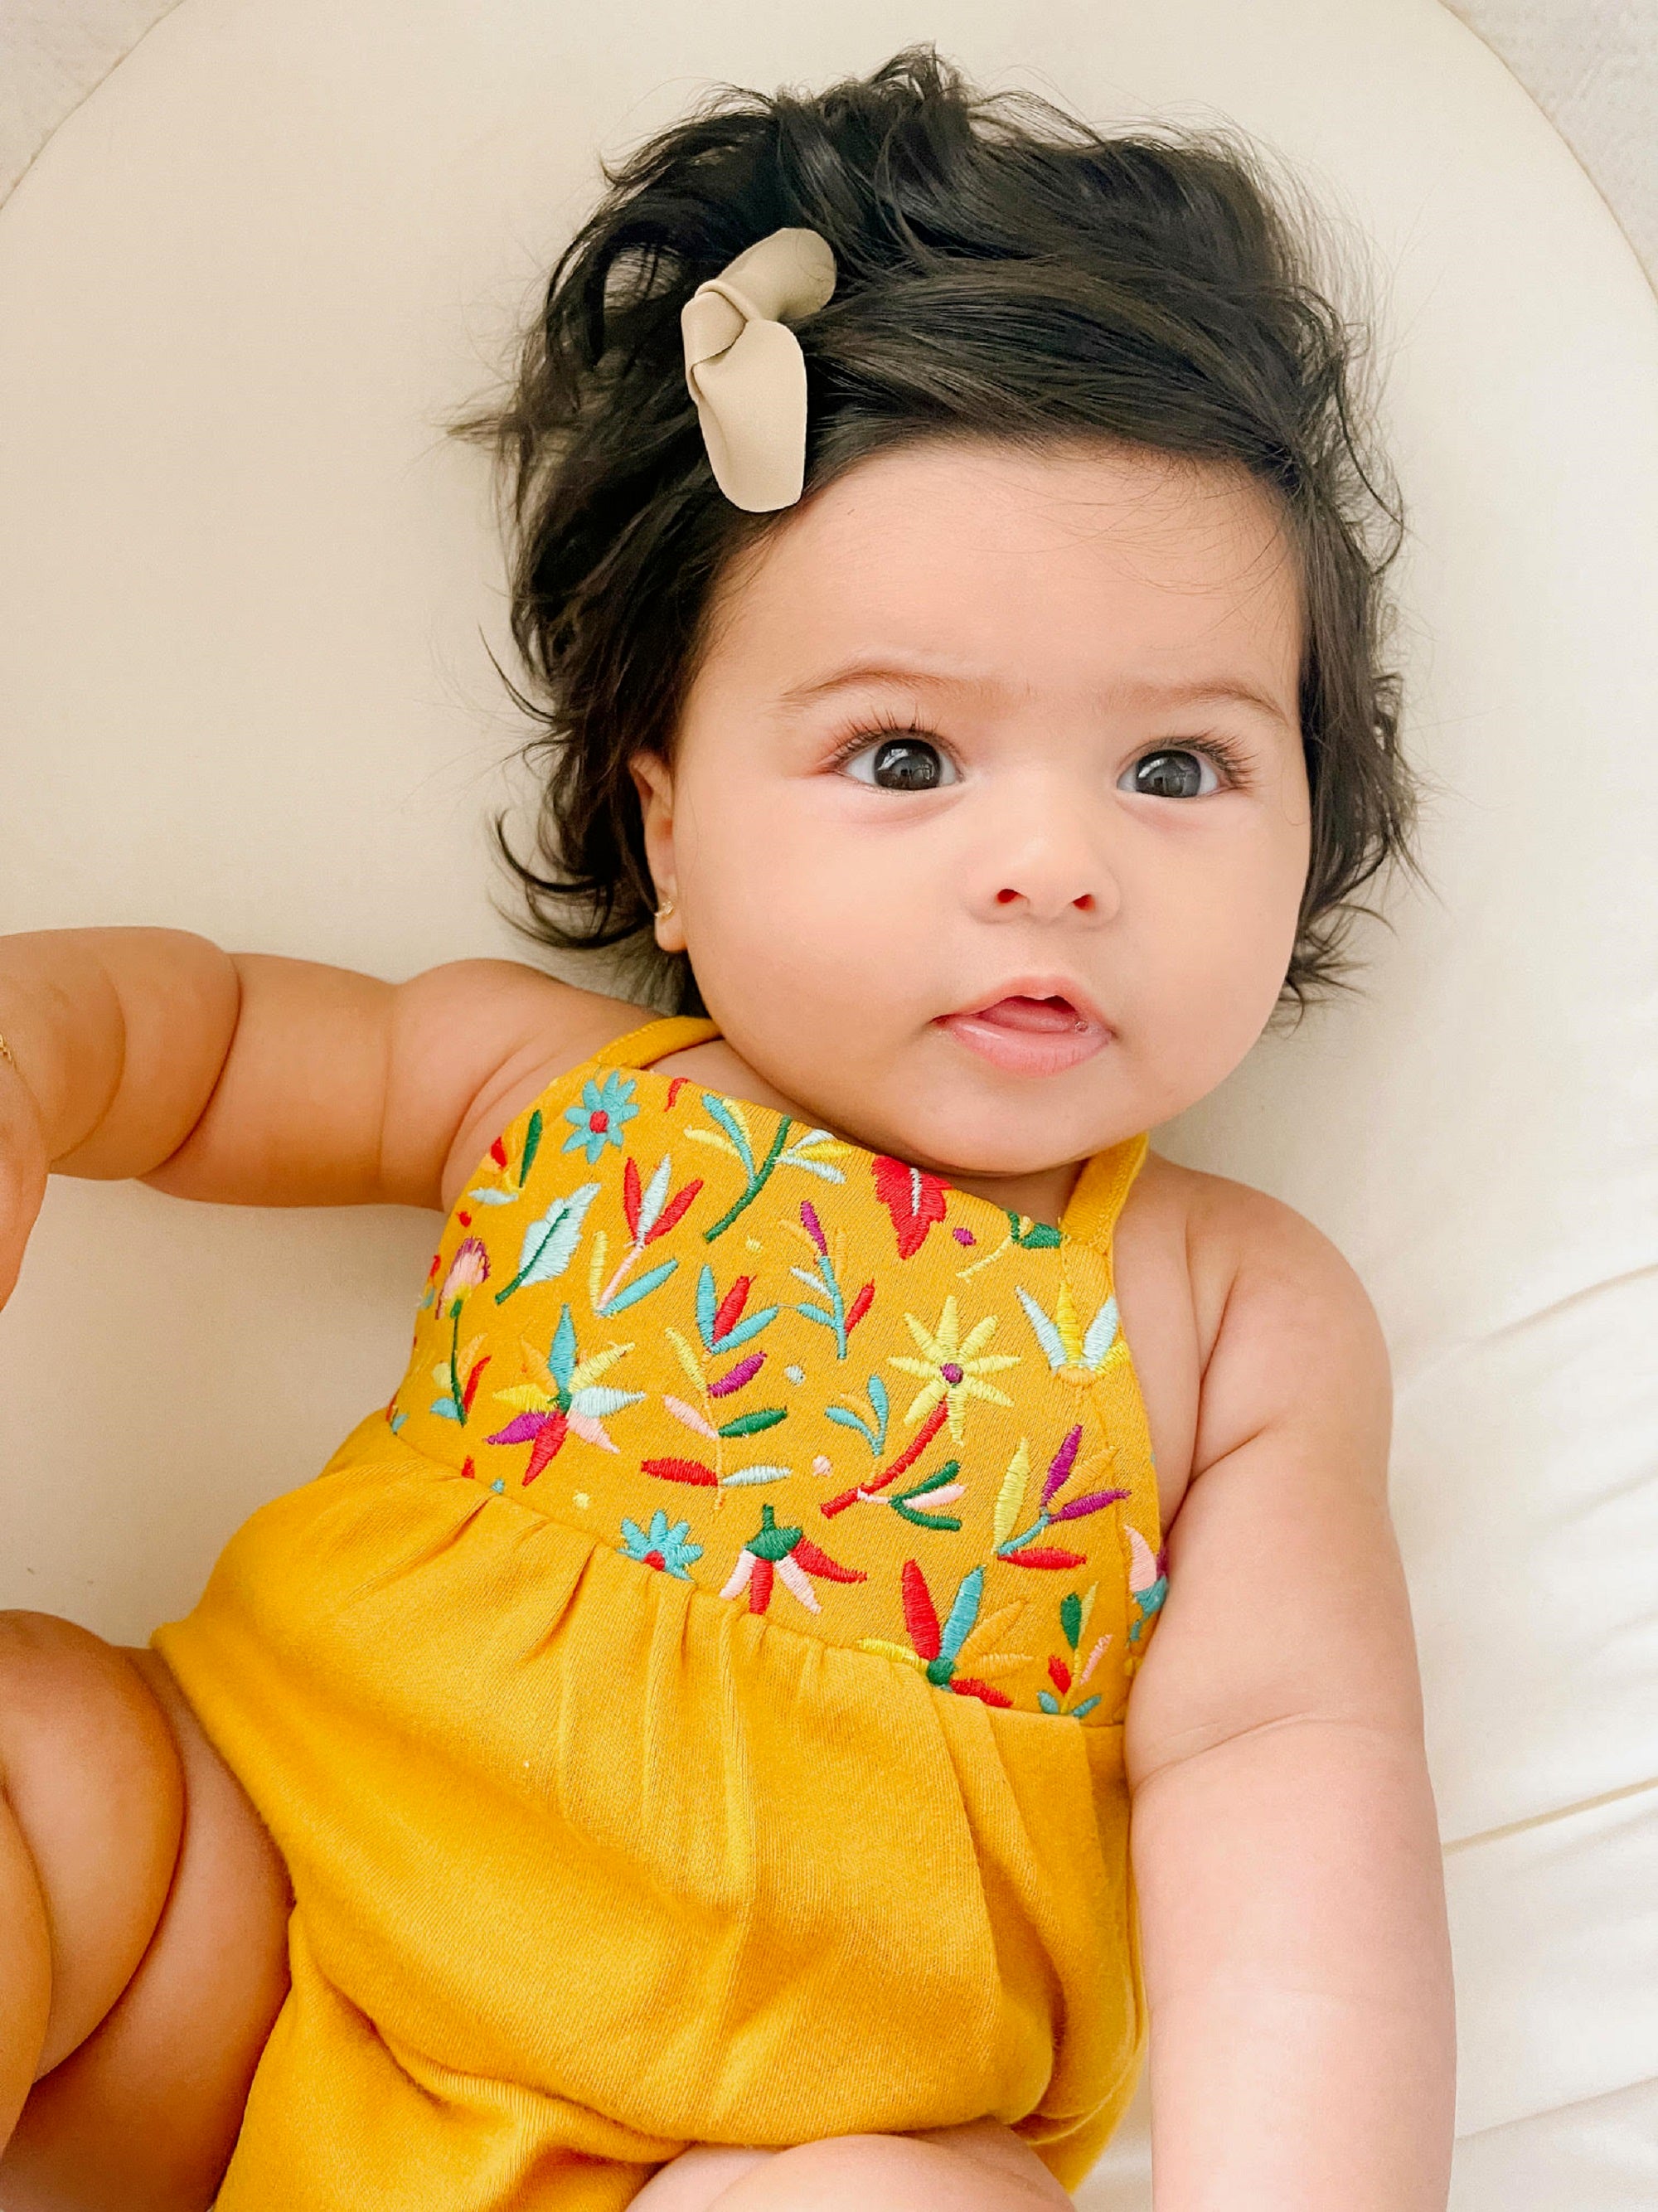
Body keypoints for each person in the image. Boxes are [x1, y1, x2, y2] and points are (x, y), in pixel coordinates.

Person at [0, 46, 1454, 2212]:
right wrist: (24, 1067)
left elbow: (1284, 1770)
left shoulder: (1231, 1313)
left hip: (752, 2155)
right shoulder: (536, 1085)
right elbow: (191, 1046)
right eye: (905, 757)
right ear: (667, 832)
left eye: (1176, 769)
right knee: (35, 1760)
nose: (1054, 866)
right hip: (253, 1945)